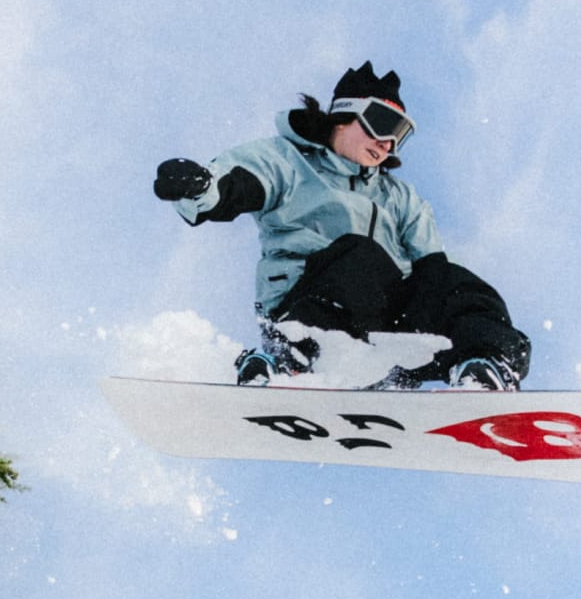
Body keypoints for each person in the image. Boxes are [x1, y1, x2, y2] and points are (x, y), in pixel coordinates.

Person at [154, 61, 530, 390]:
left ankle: (483, 369)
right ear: (345, 115)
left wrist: (454, 309)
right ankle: (291, 363)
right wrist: (200, 188)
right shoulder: (288, 161)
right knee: (359, 256)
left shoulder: (400, 198)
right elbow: (238, 182)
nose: (387, 143)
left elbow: (433, 276)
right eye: (383, 124)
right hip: (307, 307)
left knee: (456, 282)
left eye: (399, 134)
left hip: (385, 332)